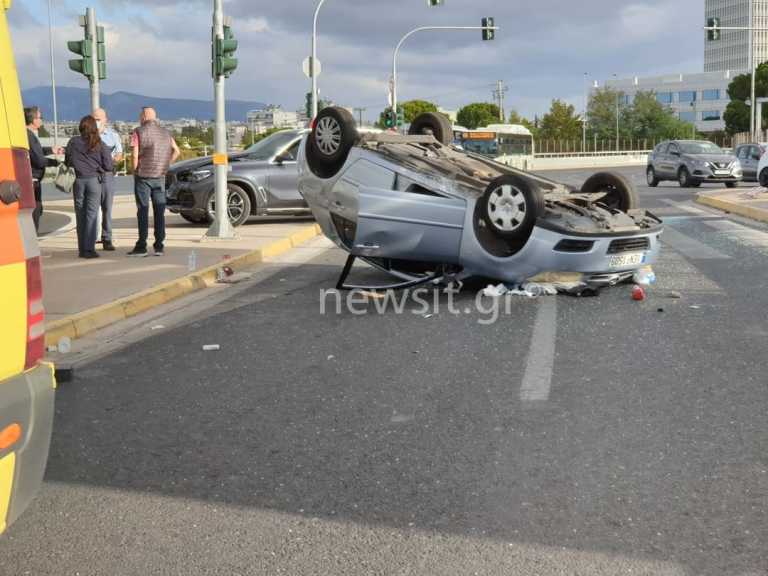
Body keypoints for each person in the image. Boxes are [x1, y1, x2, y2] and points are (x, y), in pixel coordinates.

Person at [128, 107, 180, 257]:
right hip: (160, 176)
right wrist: (166, 165)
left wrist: (134, 170)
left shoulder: (138, 132)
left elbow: (134, 155)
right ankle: (159, 246)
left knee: (143, 211)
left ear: (144, 117)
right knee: (159, 212)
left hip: (143, 177)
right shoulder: (166, 133)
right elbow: (177, 151)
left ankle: (141, 246)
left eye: (140, 116)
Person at [65, 115, 113, 259]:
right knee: (92, 215)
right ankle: (89, 249)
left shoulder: (73, 142)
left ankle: (82, 249)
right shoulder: (99, 143)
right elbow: (108, 166)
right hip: (94, 181)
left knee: (80, 215)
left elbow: (67, 161)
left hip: (78, 181)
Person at [25, 106, 62, 232]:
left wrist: (51, 150)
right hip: (33, 181)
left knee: (37, 210)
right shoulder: (30, 136)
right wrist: (56, 162)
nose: (41, 120)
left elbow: (36, 152)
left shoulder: (28, 135)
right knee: (36, 211)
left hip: (34, 180)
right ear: (33, 120)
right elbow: (39, 161)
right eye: (40, 117)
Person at [92, 108, 123, 251]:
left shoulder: (113, 136)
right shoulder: (87, 136)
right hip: (92, 175)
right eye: (94, 119)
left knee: (107, 209)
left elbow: (119, 154)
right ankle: (91, 238)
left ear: (105, 120)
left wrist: (110, 160)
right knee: (91, 209)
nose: (96, 121)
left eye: (99, 119)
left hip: (107, 174)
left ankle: (107, 238)